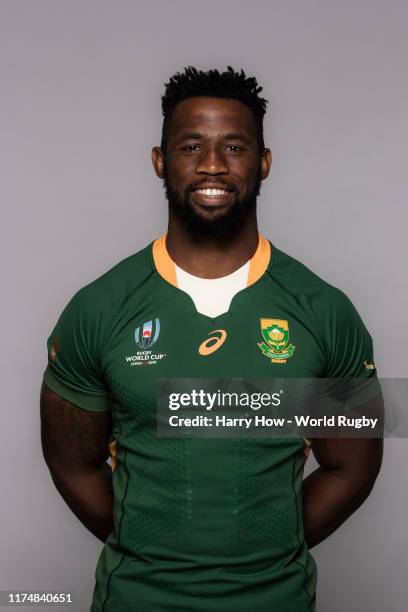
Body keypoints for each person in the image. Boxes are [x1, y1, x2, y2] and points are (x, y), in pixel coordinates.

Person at [40, 66, 383, 612]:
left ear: (264, 163)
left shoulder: (325, 311)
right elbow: (72, 464)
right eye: (191, 145)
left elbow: (353, 468)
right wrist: (158, 548)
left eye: (235, 146)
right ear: (160, 160)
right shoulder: (99, 309)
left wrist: (263, 550)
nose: (213, 165)